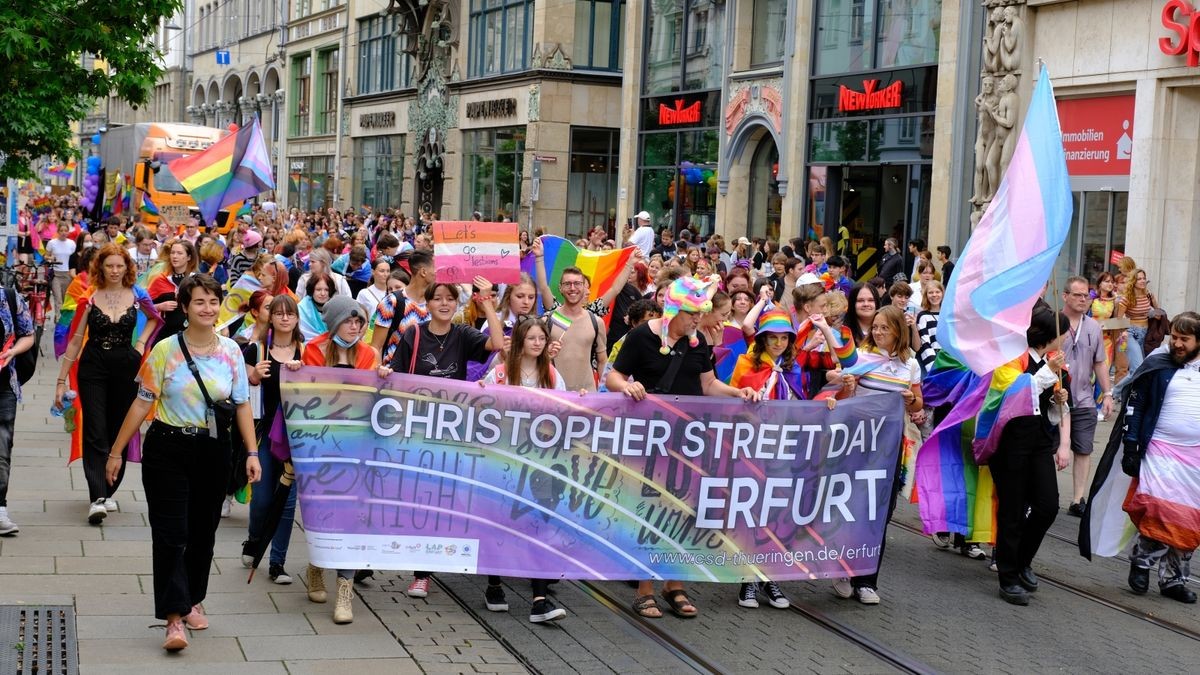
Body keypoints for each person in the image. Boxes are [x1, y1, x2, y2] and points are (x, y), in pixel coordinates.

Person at [107, 274, 261, 651]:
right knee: (171, 534)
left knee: (203, 533)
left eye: (213, 301)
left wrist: (252, 452)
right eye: (199, 302)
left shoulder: (231, 351)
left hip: (213, 451)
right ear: (186, 307)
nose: (207, 309)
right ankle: (173, 619)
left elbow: (241, 403)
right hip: (167, 449)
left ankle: (191, 598)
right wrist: (116, 452)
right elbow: (143, 402)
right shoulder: (164, 350)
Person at [606, 276, 760, 619]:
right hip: (649, 438)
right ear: (675, 310)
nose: (697, 319)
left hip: (689, 438)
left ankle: (674, 584)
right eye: (692, 313)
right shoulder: (642, 336)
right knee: (649, 511)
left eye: (699, 313)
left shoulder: (697, 343)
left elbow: (708, 384)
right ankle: (644, 587)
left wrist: (737, 393)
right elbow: (613, 376)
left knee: (684, 511)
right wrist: (627, 388)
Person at [391, 280, 505, 603]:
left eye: (449, 299)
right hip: (418, 428)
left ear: (456, 304)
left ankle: (433, 564)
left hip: (451, 430)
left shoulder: (463, 334)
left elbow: (497, 343)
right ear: (427, 303)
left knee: (443, 499)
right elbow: (398, 377)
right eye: (437, 298)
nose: (443, 304)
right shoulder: (413, 334)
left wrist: (486, 303)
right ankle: (417, 572)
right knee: (421, 500)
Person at [818, 305, 923, 604]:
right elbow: (836, 383)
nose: (877, 332)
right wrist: (847, 386)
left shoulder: (910, 365)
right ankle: (840, 568)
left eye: (884, 328)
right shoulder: (863, 358)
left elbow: (918, 405)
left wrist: (910, 398)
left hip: (889, 449)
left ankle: (866, 579)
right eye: (875, 327)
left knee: (880, 513)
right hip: (856, 445)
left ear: (898, 332)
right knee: (850, 507)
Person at [55, 244, 161, 524]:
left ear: (127, 268)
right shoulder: (89, 297)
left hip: (126, 366)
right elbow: (76, 339)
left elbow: (155, 318)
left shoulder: (138, 295)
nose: (114, 271)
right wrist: (60, 379)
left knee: (120, 430)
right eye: (109, 266)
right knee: (95, 428)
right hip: (93, 367)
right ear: (100, 268)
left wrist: (140, 344)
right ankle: (97, 496)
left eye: (119, 266)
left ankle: (109, 487)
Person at [480, 316, 571, 623]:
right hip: (504, 460)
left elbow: (564, 409)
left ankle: (540, 598)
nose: (536, 343)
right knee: (500, 521)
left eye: (541, 339)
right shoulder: (501, 373)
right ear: (520, 340)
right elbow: (482, 407)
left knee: (538, 523)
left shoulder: (551, 374)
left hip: (539, 460)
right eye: (531, 338)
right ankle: (494, 583)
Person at [302, 296, 383, 623]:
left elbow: (372, 398)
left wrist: (384, 379)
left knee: (351, 516)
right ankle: (317, 565)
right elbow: (309, 395)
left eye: (359, 321)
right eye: (349, 320)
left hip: (356, 447)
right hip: (321, 447)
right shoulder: (314, 350)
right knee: (321, 513)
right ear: (334, 322)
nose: (355, 327)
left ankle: (344, 591)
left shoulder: (369, 354)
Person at [989, 308, 1072, 606]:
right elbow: (1014, 393)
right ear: (1049, 335)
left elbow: (1052, 414)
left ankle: (1021, 559)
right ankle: (1008, 577)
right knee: (1012, 510)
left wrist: (1057, 401)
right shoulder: (1013, 357)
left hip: (1038, 443)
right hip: (1010, 444)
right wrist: (1049, 372)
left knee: (1047, 506)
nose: (1064, 338)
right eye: (1062, 333)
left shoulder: (1056, 366)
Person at [1121, 312, 1200, 604]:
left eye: (1184, 339)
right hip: (1160, 449)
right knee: (1160, 511)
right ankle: (1142, 561)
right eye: (1174, 337)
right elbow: (1137, 405)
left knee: (1189, 519)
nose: (1177, 344)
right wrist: (1131, 446)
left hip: (1195, 459)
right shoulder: (1158, 363)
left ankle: (1173, 580)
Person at [726, 307, 798, 610]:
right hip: (752, 447)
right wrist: (745, 395)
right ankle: (747, 581)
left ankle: (770, 577)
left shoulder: (794, 368)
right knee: (752, 512)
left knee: (777, 514)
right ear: (763, 339)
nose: (779, 343)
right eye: (773, 338)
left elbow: (803, 403)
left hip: (783, 448)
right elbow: (730, 398)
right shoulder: (746, 363)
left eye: (784, 338)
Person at [240, 294, 303, 584]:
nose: (284, 318)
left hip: (296, 437)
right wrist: (254, 374)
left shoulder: (307, 351)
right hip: (267, 433)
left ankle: (278, 562)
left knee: (287, 501)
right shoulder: (257, 349)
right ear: (270, 318)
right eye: (278, 314)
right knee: (263, 497)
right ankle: (254, 540)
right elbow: (240, 383)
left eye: (289, 313)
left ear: (297, 318)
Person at [532, 238, 639, 392]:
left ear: (585, 287)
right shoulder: (549, 318)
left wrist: (603, 395)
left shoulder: (595, 320)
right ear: (560, 288)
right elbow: (543, 286)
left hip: (587, 396)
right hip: (553, 393)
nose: (572, 288)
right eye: (567, 284)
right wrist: (539, 257)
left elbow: (602, 361)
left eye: (577, 284)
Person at [1060, 276, 1114, 516]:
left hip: (1083, 399)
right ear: (1065, 296)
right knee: (1051, 448)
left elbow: (1100, 363)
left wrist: (1108, 394)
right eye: (1078, 295)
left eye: (1086, 296)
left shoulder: (1092, 326)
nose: (1083, 299)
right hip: (1054, 399)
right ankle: (1046, 493)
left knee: (1083, 449)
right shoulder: (1053, 322)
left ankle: (1077, 498)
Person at [0, 281, 37, 536]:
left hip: (4, 384)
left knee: (2, 447)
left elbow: (28, 334)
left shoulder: (9, 297)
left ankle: (0, 509)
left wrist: (12, 351)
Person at [370, 249, 433, 364]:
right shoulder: (392, 301)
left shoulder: (434, 303)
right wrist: (378, 375)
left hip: (424, 376)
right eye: (437, 269)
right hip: (393, 375)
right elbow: (376, 346)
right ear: (423, 272)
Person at [146, 239, 200, 345]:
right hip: (166, 336)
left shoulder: (196, 280)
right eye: (172, 252)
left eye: (179, 253)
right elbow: (144, 305)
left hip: (191, 334)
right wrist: (160, 306)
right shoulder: (160, 279)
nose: (175, 256)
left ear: (189, 257)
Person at [46, 221, 77, 315]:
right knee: (58, 299)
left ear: (68, 232)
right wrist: (50, 258)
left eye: (66, 231)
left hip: (68, 274)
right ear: (58, 231)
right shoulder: (52, 242)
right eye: (61, 230)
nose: (64, 232)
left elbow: (74, 259)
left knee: (65, 300)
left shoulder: (72, 243)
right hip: (56, 274)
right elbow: (46, 256)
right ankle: (58, 320)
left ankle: (65, 322)